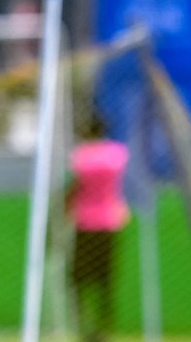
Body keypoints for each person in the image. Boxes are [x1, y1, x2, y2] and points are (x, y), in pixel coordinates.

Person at [68, 131, 129, 342]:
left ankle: (83, 325)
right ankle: (104, 326)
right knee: (105, 280)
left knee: (77, 279)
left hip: (85, 223)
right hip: (109, 222)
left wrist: (65, 205)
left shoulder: (81, 155)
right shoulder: (116, 154)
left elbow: (75, 185)